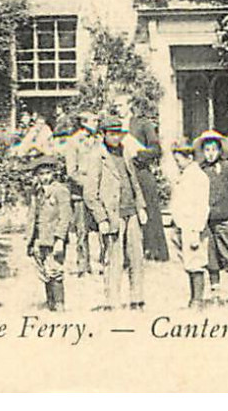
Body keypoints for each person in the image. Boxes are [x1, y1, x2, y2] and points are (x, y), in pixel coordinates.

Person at [87, 113, 146, 311]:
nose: (116, 138)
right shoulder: (97, 156)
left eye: (119, 134)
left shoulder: (125, 152)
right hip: (113, 215)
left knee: (136, 256)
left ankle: (137, 298)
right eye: (112, 134)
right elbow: (90, 193)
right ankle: (112, 300)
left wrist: (141, 206)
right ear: (103, 134)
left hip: (132, 212)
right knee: (114, 258)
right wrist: (101, 218)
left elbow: (134, 182)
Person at [194, 129, 228, 304]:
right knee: (211, 258)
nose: (210, 154)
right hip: (206, 221)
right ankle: (216, 294)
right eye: (207, 150)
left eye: (213, 149)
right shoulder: (200, 170)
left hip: (226, 219)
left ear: (220, 150)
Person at [115, 95, 169, 262]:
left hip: (141, 172)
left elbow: (156, 149)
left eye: (120, 105)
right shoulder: (113, 126)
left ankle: (153, 251)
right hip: (122, 175)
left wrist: (138, 155)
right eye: (115, 106)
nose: (117, 108)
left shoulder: (142, 123)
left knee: (149, 210)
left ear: (130, 105)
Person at [25, 153, 73, 311]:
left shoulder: (61, 191)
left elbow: (65, 217)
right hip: (39, 238)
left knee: (55, 270)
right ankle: (50, 302)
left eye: (48, 173)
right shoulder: (36, 192)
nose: (45, 177)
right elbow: (32, 216)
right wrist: (30, 240)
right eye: (41, 174)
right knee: (44, 271)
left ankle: (59, 304)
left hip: (54, 238)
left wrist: (60, 239)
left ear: (54, 173)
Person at [167, 140, 210, 307]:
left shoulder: (198, 177)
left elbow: (201, 205)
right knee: (188, 263)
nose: (178, 164)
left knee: (195, 262)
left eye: (179, 160)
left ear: (189, 157)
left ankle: (198, 300)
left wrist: (196, 230)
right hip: (183, 224)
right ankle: (192, 298)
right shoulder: (184, 175)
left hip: (193, 226)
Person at [62, 110, 101, 276]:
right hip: (81, 192)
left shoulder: (99, 140)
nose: (97, 123)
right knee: (82, 230)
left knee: (102, 227)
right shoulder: (73, 142)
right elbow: (71, 172)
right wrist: (88, 185)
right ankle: (83, 266)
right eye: (94, 121)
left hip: (99, 191)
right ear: (84, 123)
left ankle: (104, 263)